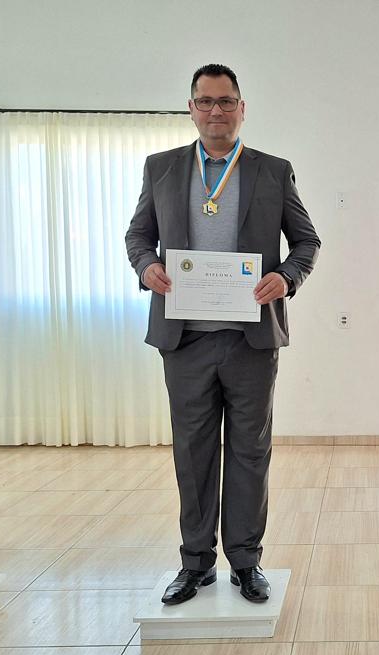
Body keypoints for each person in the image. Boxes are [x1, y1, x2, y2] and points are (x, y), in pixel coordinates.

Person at [124, 64, 320, 605]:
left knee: (250, 453)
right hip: (184, 339)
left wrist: (287, 277)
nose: (216, 110)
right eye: (206, 101)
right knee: (193, 455)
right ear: (191, 108)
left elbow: (307, 242)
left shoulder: (272, 171)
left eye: (226, 101)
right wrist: (146, 266)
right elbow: (138, 235)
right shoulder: (161, 168)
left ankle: (246, 562)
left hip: (250, 340)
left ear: (242, 108)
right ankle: (195, 564)